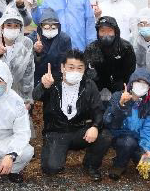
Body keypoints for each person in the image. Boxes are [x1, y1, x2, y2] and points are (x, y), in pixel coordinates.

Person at [33, 49, 110, 181]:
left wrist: (95, 126)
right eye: (71, 67)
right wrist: (43, 86)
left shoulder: (89, 85)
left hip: (80, 130)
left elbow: (98, 110)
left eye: (80, 68)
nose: (75, 71)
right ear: (63, 67)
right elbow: (36, 96)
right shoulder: (52, 82)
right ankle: (57, 154)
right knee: (51, 168)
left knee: (105, 136)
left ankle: (91, 165)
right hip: (57, 131)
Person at [102, 68, 150, 181]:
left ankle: (132, 158)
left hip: (138, 140)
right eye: (138, 82)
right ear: (131, 83)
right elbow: (108, 122)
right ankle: (119, 165)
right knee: (127, 143)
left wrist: (147, 150)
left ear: (149, 88)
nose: (141, 86)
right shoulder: (118, 96)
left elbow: (149, 130)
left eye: (145, 84)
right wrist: (121, 105)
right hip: (120, 138)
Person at [0, 8, 34, 105]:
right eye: (9, 25)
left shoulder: (26, 44)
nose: (12, 29)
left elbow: (28, 73)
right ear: (2, 26)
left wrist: (26, 98)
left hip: (16, 94)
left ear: (21, 28)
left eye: (16, 26)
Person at [85, 16, 137, 106]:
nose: (106, 34)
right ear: (98, 33)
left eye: (109, 31)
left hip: (119, 84)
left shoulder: (125, 48)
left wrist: (122, 84)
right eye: (102, 31)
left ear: (115, 32)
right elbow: (86, 70)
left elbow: (130, 70)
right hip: (98, 85)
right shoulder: (91, 48)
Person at [27, 7, 72, 88]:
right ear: (41, 26)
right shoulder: (32, 38)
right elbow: (26, 63)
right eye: (47, 26)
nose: (50, 29)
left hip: (57, 80)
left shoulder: (64, 39)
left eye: (54, 26)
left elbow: (67, 62)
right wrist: (36, 51)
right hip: (35, 79)